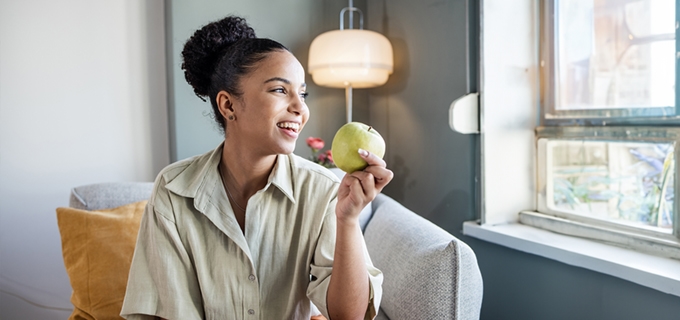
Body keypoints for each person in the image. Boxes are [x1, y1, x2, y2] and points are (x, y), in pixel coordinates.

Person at [120, 15, 393, 320]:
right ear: (228, 105)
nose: (300, 108)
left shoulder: (322, 190)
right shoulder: (174, 189)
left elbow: (349, 316)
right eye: (280, 90)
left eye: (302, 94)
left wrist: (349, 219)